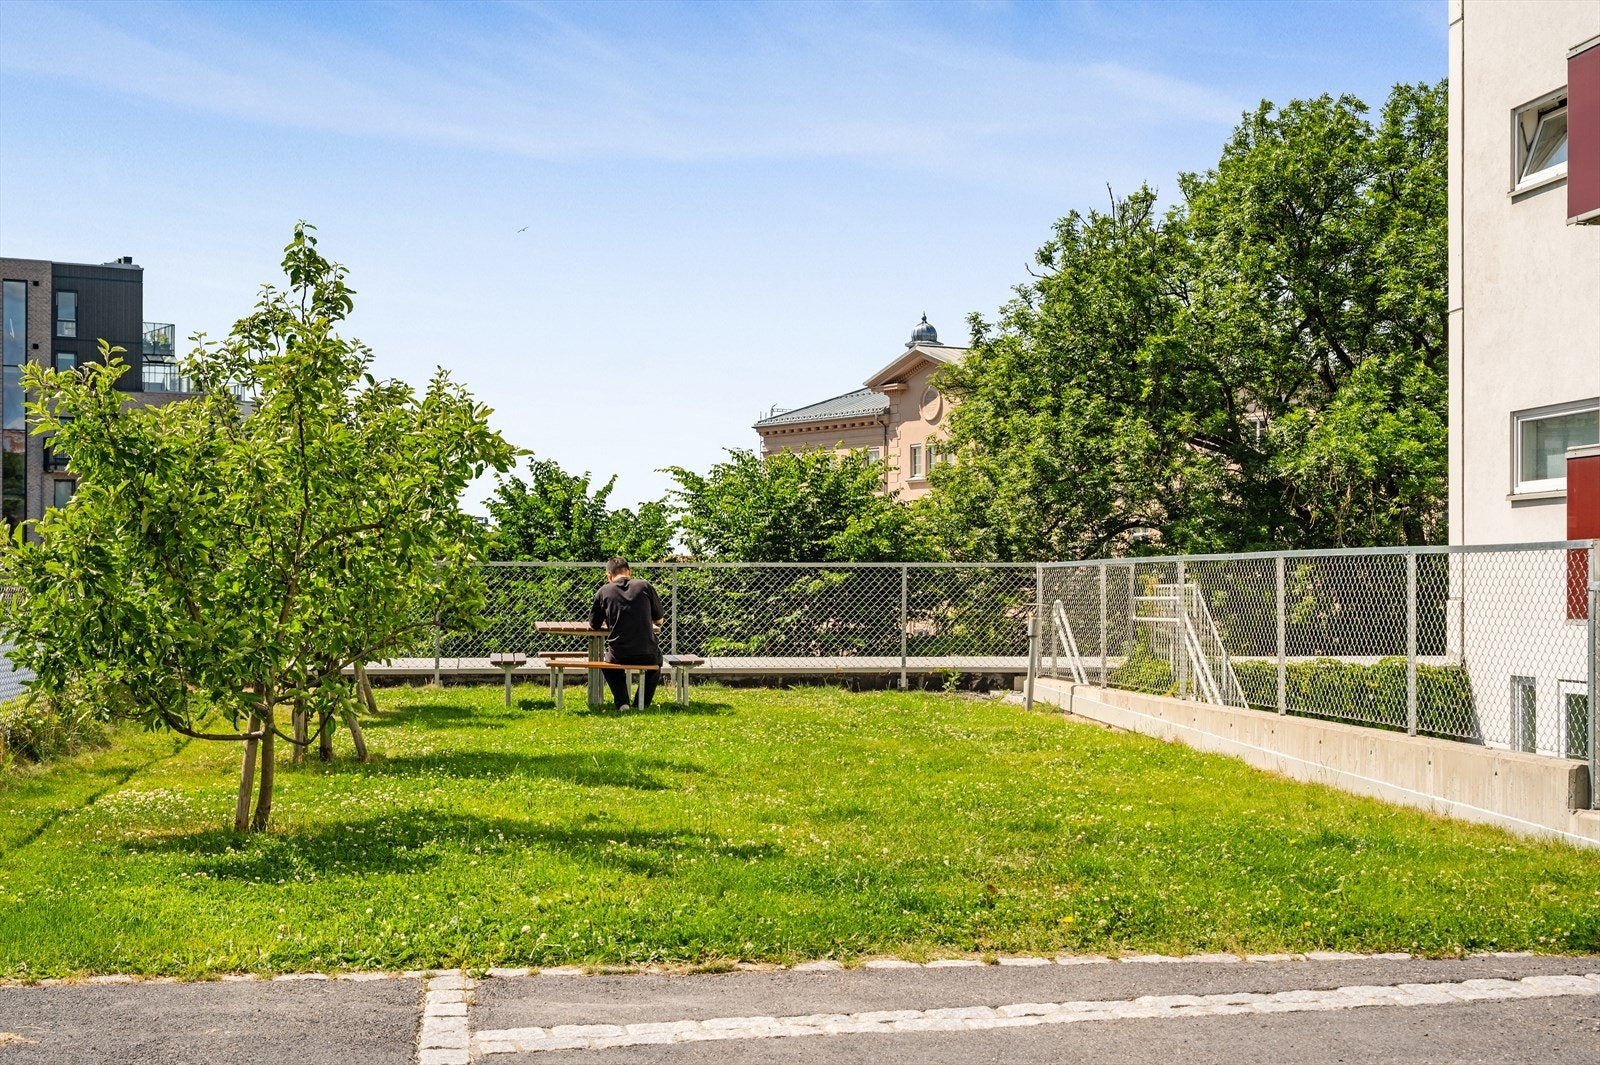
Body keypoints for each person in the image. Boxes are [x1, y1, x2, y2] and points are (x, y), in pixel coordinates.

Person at [588, 556, 665, 709]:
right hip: (647, 653)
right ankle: (641, 703)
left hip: (619, 653)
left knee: (608, 664)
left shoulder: (604, 591)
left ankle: (623, 702)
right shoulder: (644, 585)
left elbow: (594, 624)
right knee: (657, 663)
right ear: (629, 572)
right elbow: (659, 619)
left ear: (609, 575)